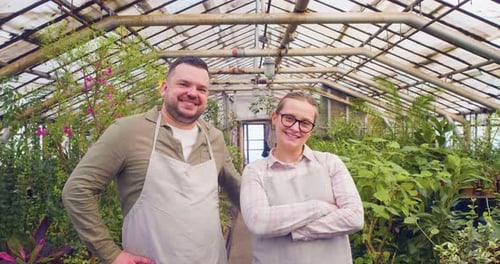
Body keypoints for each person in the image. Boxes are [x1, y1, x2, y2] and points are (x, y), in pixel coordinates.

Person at [62, 56, 241, 264]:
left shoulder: (214, 138)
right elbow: (77, 190)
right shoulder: (129, 132)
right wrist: (111, 254)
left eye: (201, 89)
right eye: (184, 84)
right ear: (164, 88)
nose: (193, 93)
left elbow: (237, 190)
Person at [240, 91, 364, 264]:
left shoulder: (330, 163)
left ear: (311, 130)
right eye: (289, 118)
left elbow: (355, 217)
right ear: (275, 118)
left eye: (305, 123)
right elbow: (259, 222)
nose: (296, 128)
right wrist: (319, 208)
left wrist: (296, 231)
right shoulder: (255, 171)